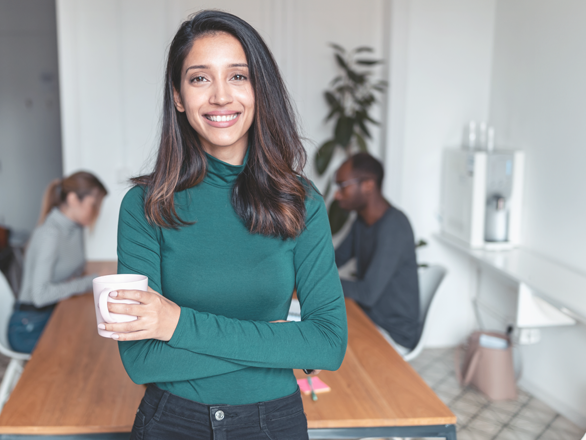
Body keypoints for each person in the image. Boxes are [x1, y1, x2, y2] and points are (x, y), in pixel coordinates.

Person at [100, 11, 347, 440]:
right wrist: (279, 342)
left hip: (275, 423)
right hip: (170, 423)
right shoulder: (144, 206)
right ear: (178, 96)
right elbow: (142, 361)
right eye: (199, 79)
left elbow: (327, 343)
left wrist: (174, 325)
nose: (220, 96)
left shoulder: (300, 202)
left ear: (259, 90)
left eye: (238, 76)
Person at [8, 171, 108, 354]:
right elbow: (40, 296)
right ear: (72, 199)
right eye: (93, 205)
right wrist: (90, 282)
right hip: (29, 324)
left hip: (51, 312)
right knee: (84, 351)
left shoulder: (75, 228)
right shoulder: (50, 234)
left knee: (94, 338)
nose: (96, 213)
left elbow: (75, 270)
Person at [334, 153, 420, 355]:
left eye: (342, 186)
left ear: (368, 185)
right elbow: (334, 259)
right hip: (368, 318)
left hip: (392, 334)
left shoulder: (395, 227)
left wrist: (315, 282)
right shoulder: (362, 222)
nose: (337, 195)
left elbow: (367, 294)